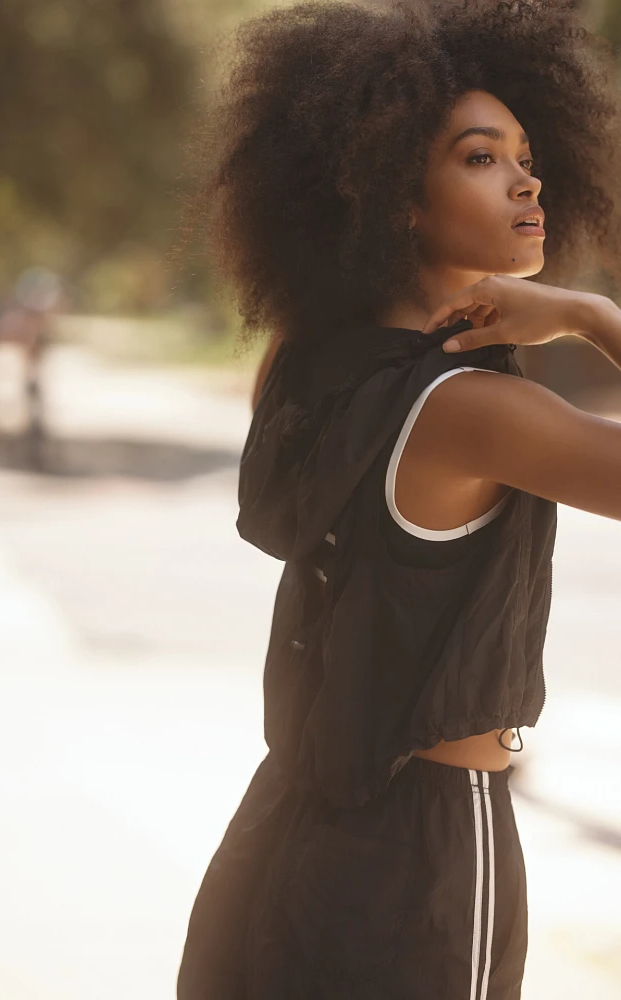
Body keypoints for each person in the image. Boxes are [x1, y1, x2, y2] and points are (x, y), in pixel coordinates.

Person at [176, 1, 621, 997]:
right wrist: (590, 317)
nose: (526, 177)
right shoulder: (472, 412)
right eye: (478, 156)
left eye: (525, 152)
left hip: (276, 829)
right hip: (421, 854)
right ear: (393, 196)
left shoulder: (295, 364)